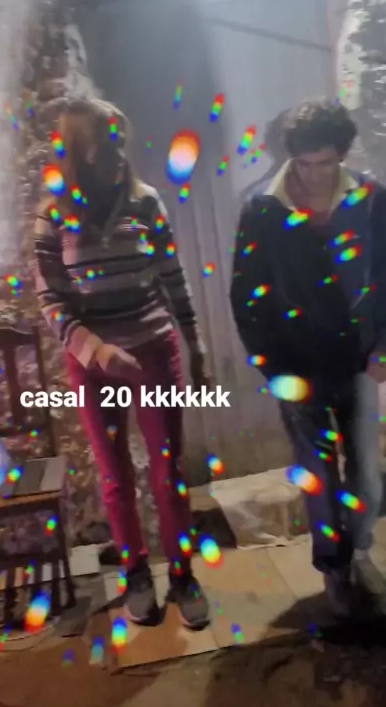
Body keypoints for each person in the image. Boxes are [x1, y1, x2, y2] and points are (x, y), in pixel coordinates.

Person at [33, 97, 210, 629]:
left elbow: (172, 276)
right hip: (93, 365)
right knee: (116, 478)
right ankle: (136, 573)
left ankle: (182, 574)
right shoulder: (53, 215)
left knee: (167, 472)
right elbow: (51, 300)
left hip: (154, 350)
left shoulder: (146, 202)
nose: (116, 154)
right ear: (76, 152)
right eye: (102, 145)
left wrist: (195, 343)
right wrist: (96, 349)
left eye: (118, 143)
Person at [230, 98, 386, 619]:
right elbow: (246, 296)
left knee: (366, 475)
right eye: (304, 163)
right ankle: (334, 568)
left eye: (326, 162)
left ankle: (358, 548)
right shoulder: (262, 209)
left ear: (342, 153)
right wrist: (273, 369)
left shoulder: (370, 198)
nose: (315, 175)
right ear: (291, 157)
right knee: (318, 474)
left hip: (360, 359)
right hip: (296, 366)